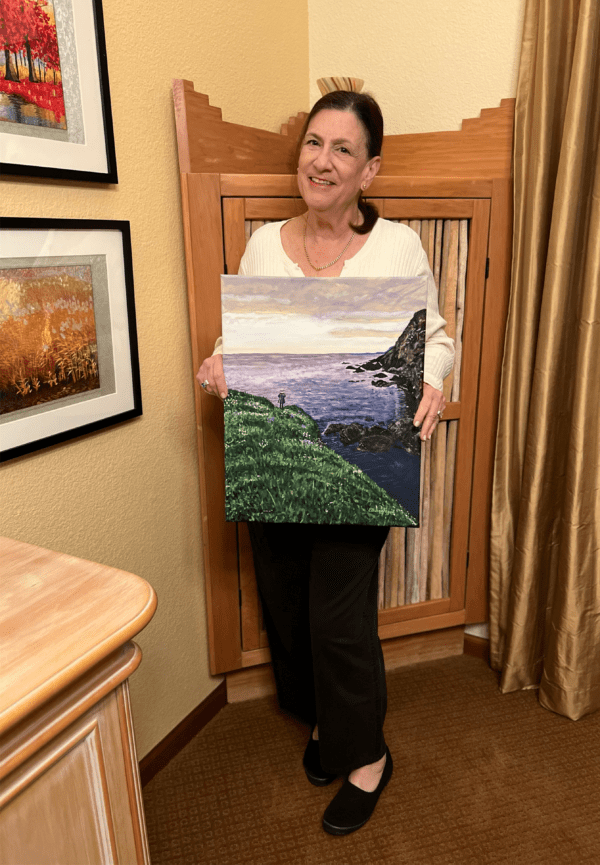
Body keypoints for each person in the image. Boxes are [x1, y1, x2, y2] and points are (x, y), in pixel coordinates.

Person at [196, 90, 454, 836]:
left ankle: (366, 752)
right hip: (275, 451)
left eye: (344, 149)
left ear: (369, 170)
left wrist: (435, 376)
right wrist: (218, 361)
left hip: (359, 454)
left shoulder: (397, 245)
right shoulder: (263, 245)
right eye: (315, 142)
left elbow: (435, 335)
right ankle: (323, 727)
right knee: (285, 598)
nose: (323, 160)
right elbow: (241, 336)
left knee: (337, 617)